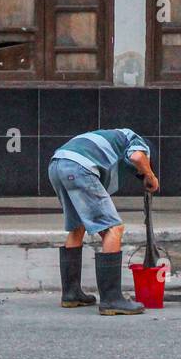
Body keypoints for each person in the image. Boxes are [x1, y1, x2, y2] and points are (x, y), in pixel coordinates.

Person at [47, 127, 158, 316]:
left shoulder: (111, 138)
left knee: (77, 227)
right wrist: (150, 175)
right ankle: (112, 299)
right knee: (114, 228)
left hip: (57, 164)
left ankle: (71, 294)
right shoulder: (136, 141)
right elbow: (137, 158)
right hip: (79, 167)